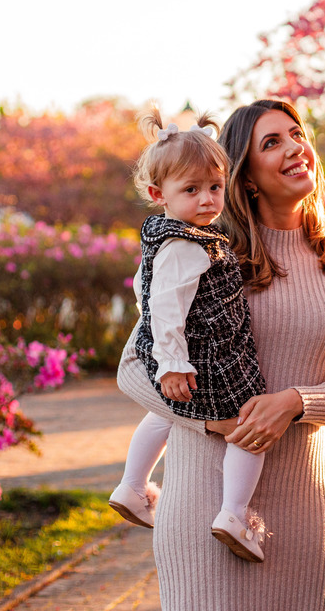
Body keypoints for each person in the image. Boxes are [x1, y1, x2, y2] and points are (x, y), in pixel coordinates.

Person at [116, 99, 325, 610]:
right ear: (247, 175)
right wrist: (212, 420)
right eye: (272, 142)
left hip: (301, 508)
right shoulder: (203, 251)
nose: (295, 148)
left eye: (297, 135)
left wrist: (295, 402)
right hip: (202, 502)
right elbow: (133, 369)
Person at [108, 110, 269, 562]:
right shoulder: (185, 245)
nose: (207, 199)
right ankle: (235, 514)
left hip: (187, 354)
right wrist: (173, 362)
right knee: (247, 429)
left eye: (215, 187)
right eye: (191, 190)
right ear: (158, 194)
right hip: (207, 359)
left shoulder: (173, 237)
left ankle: (132, 486)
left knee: (165, 414)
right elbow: (163, 306)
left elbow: (145, 290)